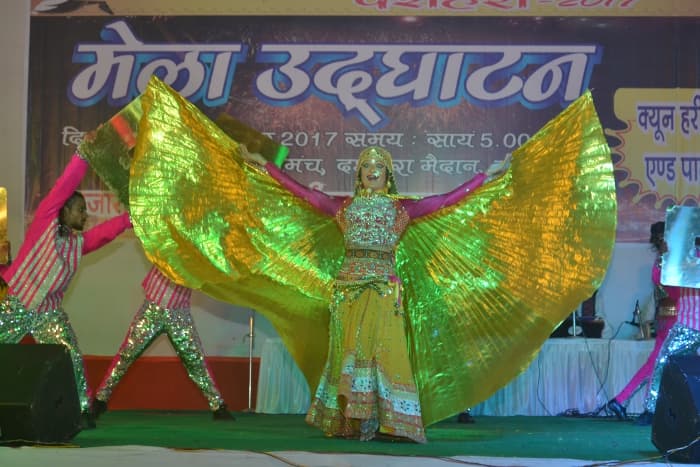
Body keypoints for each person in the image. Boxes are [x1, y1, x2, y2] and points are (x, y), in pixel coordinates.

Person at [240, 145, 506, 443]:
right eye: (366, 165)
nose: (372, 169)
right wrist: (266, 166)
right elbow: (304, 193)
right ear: (359, 175)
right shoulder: (344, 206)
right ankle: (353, 422)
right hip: (347, 291)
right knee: (350, 351)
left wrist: (485, 176)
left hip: (381, 288)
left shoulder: (400, 207)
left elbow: (445, 200)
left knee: (381, 350)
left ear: (389, 176)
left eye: (378, 166)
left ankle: (391, 424)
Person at [0, 150, 132, 427]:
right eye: (80, 210)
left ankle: (83, 410)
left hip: (49, 314)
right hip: (17, 304)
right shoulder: (45, 222)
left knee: (69, 354)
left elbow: (105, 233)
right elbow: (65, 185)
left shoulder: (77, 243)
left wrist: (131, 218)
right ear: (65, 209)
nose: (86, 215)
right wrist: (84, 155)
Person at [93, 264, 234, 420]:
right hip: (152, 309)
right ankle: (100, 400)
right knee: (126, 355)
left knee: (196, 361)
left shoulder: (195, 252)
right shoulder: (165, 241)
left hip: (179, 314)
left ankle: (218, 406)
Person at [606, 221, 679, 421]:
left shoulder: (663, 261)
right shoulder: (669, 261)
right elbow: (674, 292)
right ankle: (645, 407)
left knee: (657, 364)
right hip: (676, 320)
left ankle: (625, 401)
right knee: (657, 364)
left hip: (670, 318)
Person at [637, 230, 700, 425]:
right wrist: (663, 257)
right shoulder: (682, 257)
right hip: (688, 326)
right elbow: (662, 283)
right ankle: (651, 410)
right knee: (662, 363)